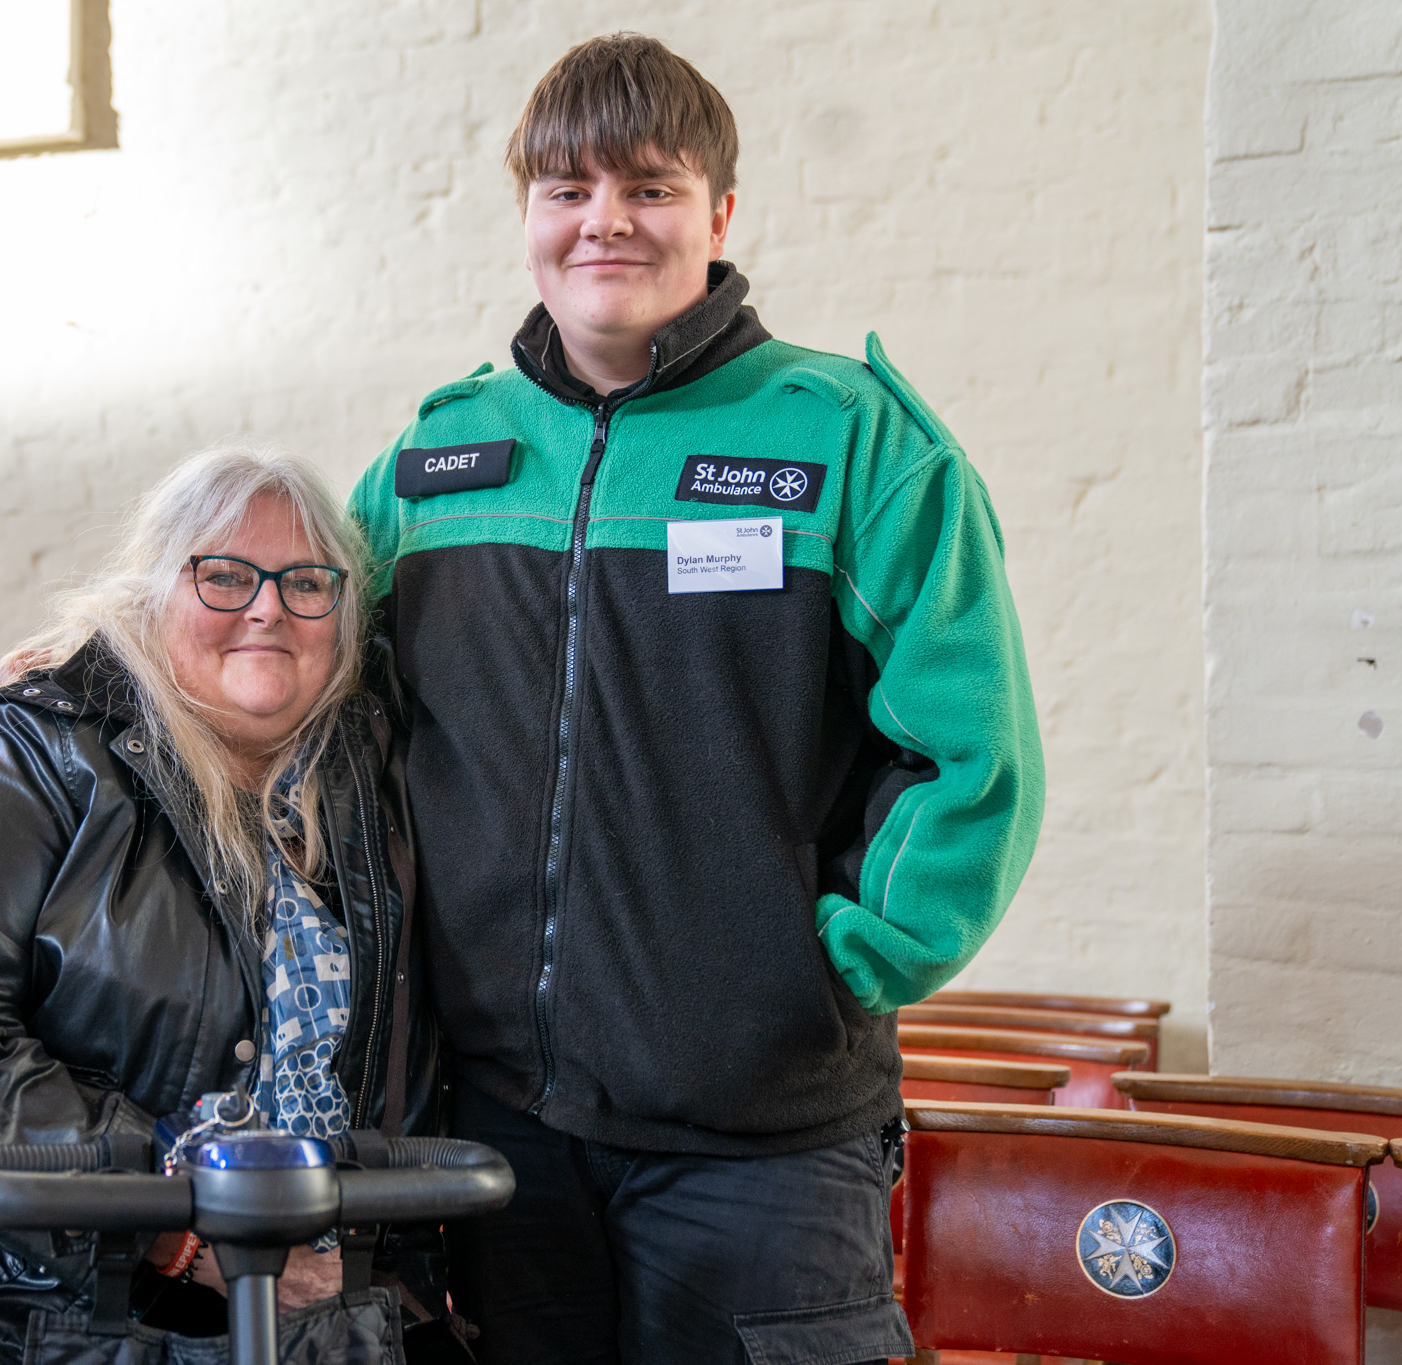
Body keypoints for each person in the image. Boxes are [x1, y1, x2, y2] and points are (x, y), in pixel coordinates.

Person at [350, 33, 1044, 1365]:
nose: (605, 219)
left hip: (762, 1145)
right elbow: (285, 643)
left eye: (650, 187)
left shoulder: (850, 439)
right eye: (568, 191)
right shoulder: (440, 458)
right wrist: (98, 659)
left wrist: (834, 964)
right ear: (527, 219)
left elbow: (974, 748)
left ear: (719, 214)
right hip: (497, 1130)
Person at [0, 446, 445, 1365]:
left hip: (315, 1300)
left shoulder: (367, 777)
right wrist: (176, 1220)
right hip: (13, 1300)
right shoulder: (29, 753)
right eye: (223, 576)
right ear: (150, 598)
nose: (268, 605)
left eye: (307, 582)